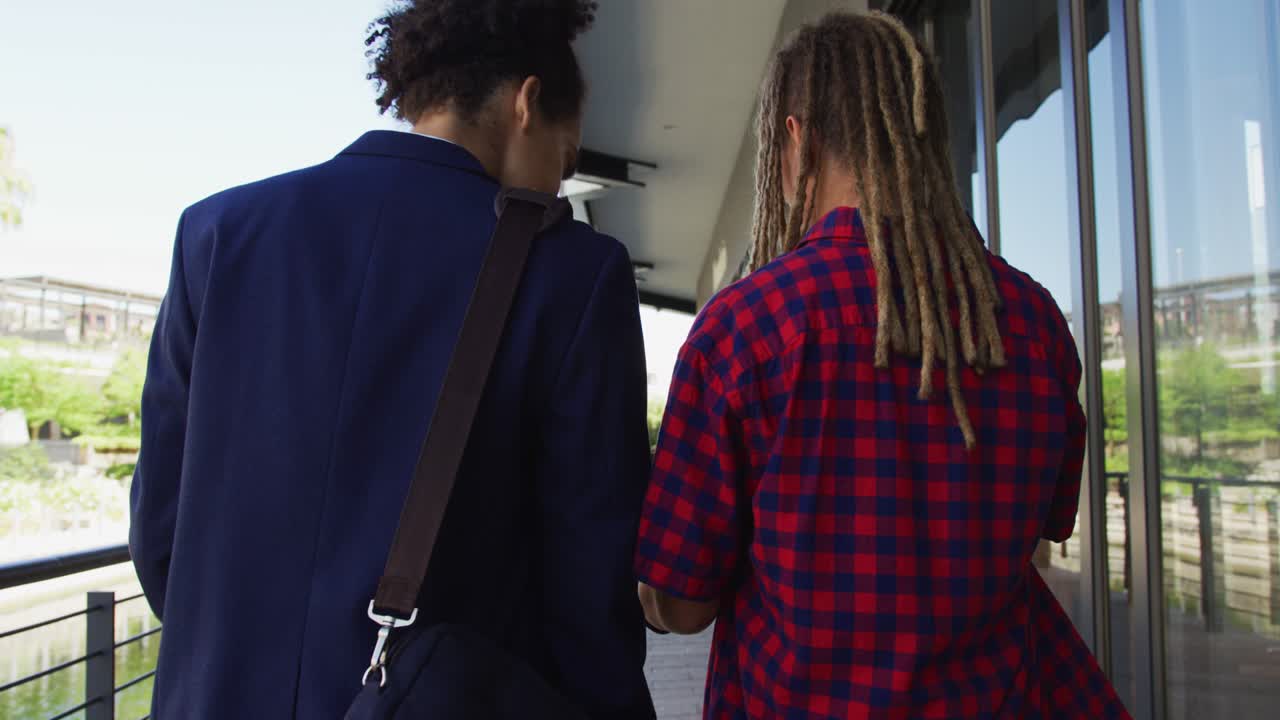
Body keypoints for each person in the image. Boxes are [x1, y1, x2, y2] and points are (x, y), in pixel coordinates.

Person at [129, 1, 655, 717]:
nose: (557, 186)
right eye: (564, 161)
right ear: (526, 103)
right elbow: (590, 577)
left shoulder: (219, 233)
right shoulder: (573, 273)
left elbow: (161, 531)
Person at [635, 11, 1128, 720]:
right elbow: (1048, 532)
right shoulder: (1031, 322)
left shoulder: (745, 330)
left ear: (797, 139)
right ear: (924, 136)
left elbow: (681, 605)